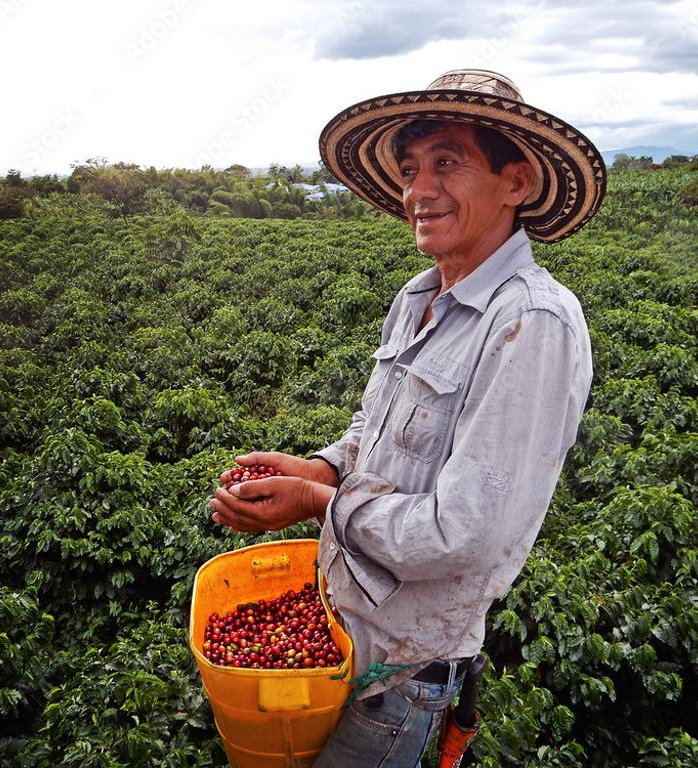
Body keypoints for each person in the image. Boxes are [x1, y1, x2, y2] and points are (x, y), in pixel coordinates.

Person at [208, 69, 606, 766]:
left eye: (447, 163)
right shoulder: (416, 298)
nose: (418, 191)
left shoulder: (532, 322)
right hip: (345, 628)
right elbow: (376, 433)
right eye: (409, 169)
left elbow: (464, 535)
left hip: (400, 672)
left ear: (516, 181)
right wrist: (320, 466)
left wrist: (316, 503)